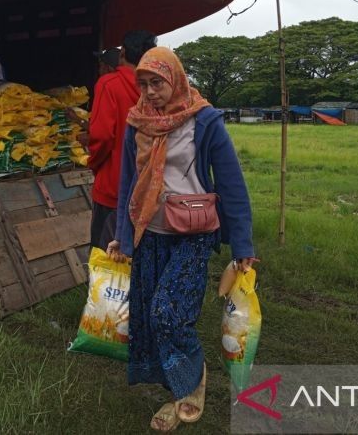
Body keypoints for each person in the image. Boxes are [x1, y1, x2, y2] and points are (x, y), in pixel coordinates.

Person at [107, 47, 256, 432]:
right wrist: (123, 238)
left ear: (175, 78)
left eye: (157, 82)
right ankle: (175, 385)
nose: (150, 91)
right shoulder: (137, 122)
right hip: (150, 233)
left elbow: (231, 184)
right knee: (147, 316)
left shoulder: (203, 120)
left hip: (193, 234)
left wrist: (242, 245)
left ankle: (192, 384)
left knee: (167, 313)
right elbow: (129, 183)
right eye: (143, 83)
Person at [87, 30, 157, 249]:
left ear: (123, 53)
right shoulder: (159, 89)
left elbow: (101, 135)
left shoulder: (109, 84)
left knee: (106, 257)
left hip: (113, 187)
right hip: (149, 188)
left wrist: (94, 164)